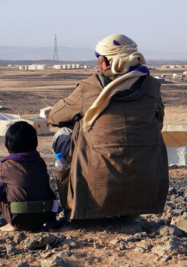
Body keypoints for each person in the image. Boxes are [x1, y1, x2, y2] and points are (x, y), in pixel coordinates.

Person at [48, 34, 168, 220]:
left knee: (63, 135)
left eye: (98, 60)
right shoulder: (152, 85)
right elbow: (158, 122)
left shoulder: (89, 87)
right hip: (145, 185)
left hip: (97, 188)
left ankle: (75, 205)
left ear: (104, 61)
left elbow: (54, 116)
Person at [0, 121, 58, 231]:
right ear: (36, 144)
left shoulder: (6, 166)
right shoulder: (40, 163)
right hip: (44, 216)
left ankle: (11, 223)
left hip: (18, 220)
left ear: (8, 148)